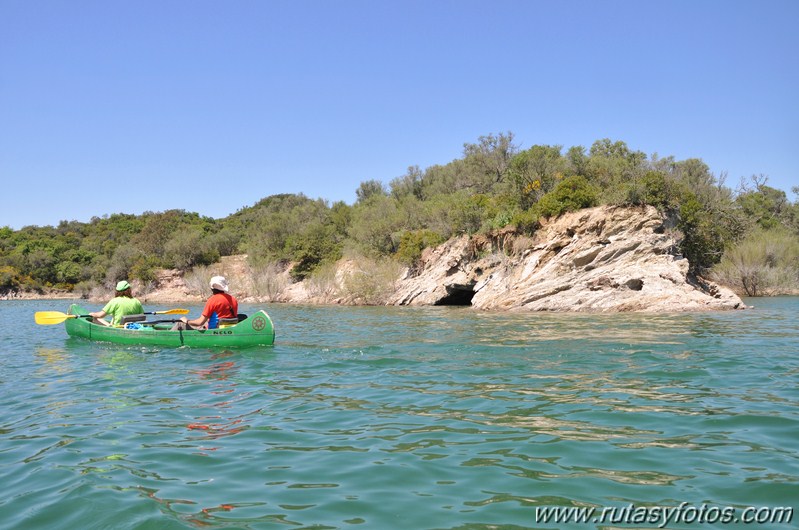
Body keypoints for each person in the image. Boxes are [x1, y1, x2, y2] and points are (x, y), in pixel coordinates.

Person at [173, 275, 238, 330]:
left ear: (212, 288)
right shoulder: (233, 299)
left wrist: (186, 321)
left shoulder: (212, 300)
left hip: (213, 330)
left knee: (180, 323)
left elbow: (200, 322)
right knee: (205, 322)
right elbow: (224, 316)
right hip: (228, 330)